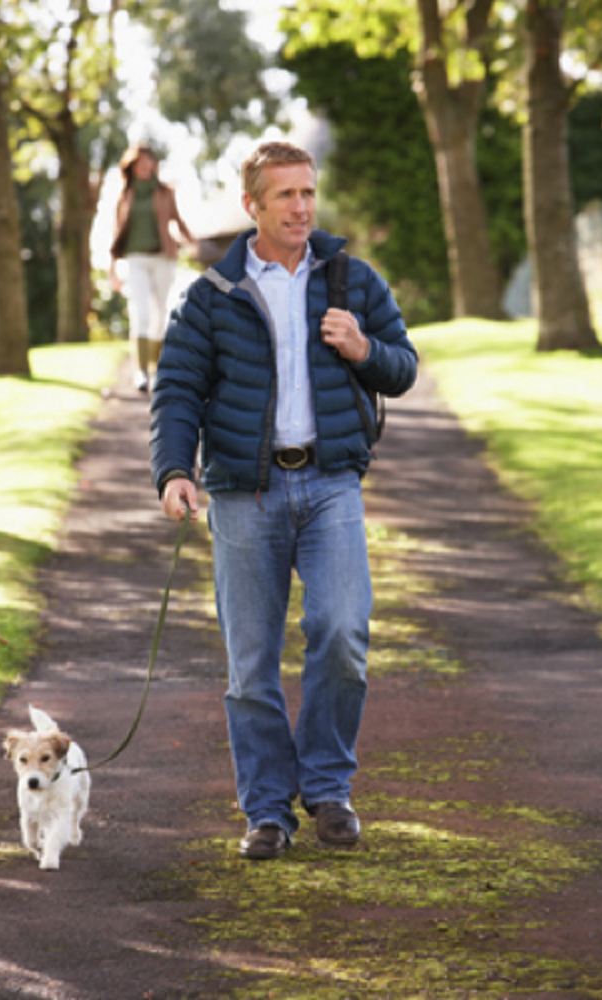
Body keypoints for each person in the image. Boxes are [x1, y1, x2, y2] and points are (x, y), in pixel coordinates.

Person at [150, 140, 418, 860]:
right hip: (244, 493)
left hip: (332, 484)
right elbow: (176, 389)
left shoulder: (351, 281)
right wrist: (176, 469)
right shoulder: (212, 295)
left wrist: (365, 350)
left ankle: (328, 788)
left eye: (308, 193)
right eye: (285, 196)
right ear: (253, 207)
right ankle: (268, 810)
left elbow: (403, 368)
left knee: (341, 634)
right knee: (250, 664)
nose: (301, 207)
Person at [110, 143, 193, 393]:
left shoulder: (165, 191)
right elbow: (117, 231)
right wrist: (112, 268)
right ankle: (140, 371)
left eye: (149, 163)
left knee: (160, 315)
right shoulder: (125, 194)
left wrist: (193, 242)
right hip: (135, 258)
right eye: (140, 163)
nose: (145, 167)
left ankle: (157, 370)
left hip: (162, 257)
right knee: (141, 313)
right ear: (132, 167)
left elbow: (177, 220)